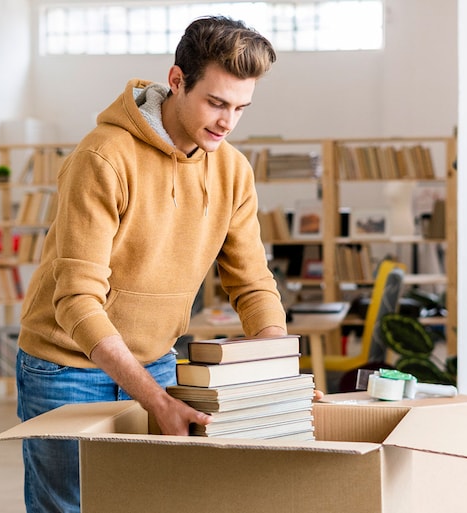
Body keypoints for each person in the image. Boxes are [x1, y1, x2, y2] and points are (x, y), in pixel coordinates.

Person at [15, 15, 290, 512]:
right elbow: (76, 299)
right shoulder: (102, 158)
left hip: (155, 359)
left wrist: (277, 366)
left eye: (240, 108)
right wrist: (157, 400)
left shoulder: (232, 170)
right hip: (66, 367)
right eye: (216, 102)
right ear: (177, 80)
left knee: (154, 501)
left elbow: (252, 282)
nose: (227, 122)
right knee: (70, 507)